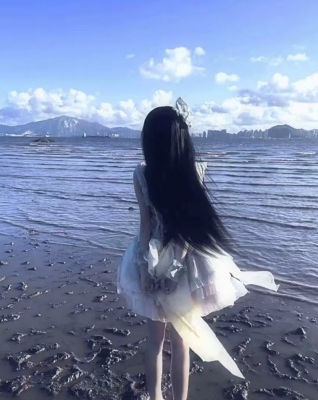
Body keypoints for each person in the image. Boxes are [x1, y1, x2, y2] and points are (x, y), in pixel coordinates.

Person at [117, 98, 278, 400]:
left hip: (177, 258)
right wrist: (146, 268)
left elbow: (163, 228)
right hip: (165, 257)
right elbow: (151, 225)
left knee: (170, 339)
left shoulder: (167, 173)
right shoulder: (153, 173)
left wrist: (158, 269)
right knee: (172, 340)